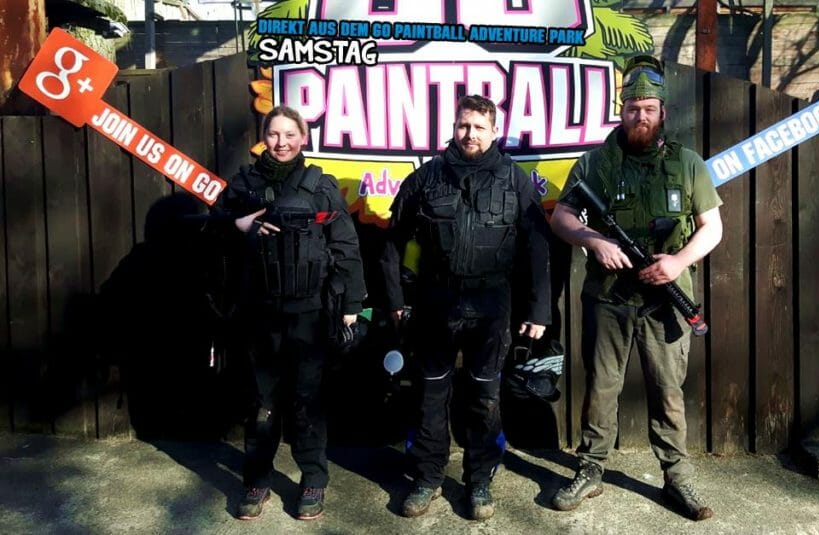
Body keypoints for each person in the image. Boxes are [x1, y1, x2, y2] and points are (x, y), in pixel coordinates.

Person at [549, 55, 723, 521]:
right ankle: (590, 468)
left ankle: (677, 478)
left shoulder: (687, 164)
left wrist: (678, 262)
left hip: (666, 301)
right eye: (632, 108)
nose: (639, 116)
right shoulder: (595, 163)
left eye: (648, 108)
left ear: (662, 111)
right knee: (601, 388)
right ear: (620, 110)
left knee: (667, 391)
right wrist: (594, 241)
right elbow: (562, 216)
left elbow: (712, 227)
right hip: (608, 297)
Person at [380, 94, 551, 521]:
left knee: (484, 396)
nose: (469, 134)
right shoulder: (426, 178)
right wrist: (396, 301)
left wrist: (539, 309)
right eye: (463, 125)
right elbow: (392, 244)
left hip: (492, 305)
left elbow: (537, 247)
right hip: (435, 304)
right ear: (453, 128)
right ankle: (427, 477)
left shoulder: (515, 181)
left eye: (478, 127)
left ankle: (479, 480)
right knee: (429, 394)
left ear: (495, 131)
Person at [212, 105, 366, 521]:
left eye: (289, 135)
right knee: (261, 401)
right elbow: (213, 231)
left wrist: (352, 306)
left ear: (303, 138)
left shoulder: (320, 186)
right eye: (274, 134)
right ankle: (257, 479)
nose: (281, 143)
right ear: (264, 137)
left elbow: (345, 245)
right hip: (259, 313)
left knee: (306, 400)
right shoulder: (243, 185)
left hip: (309, 313)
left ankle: (313, 479)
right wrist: (241, 226)